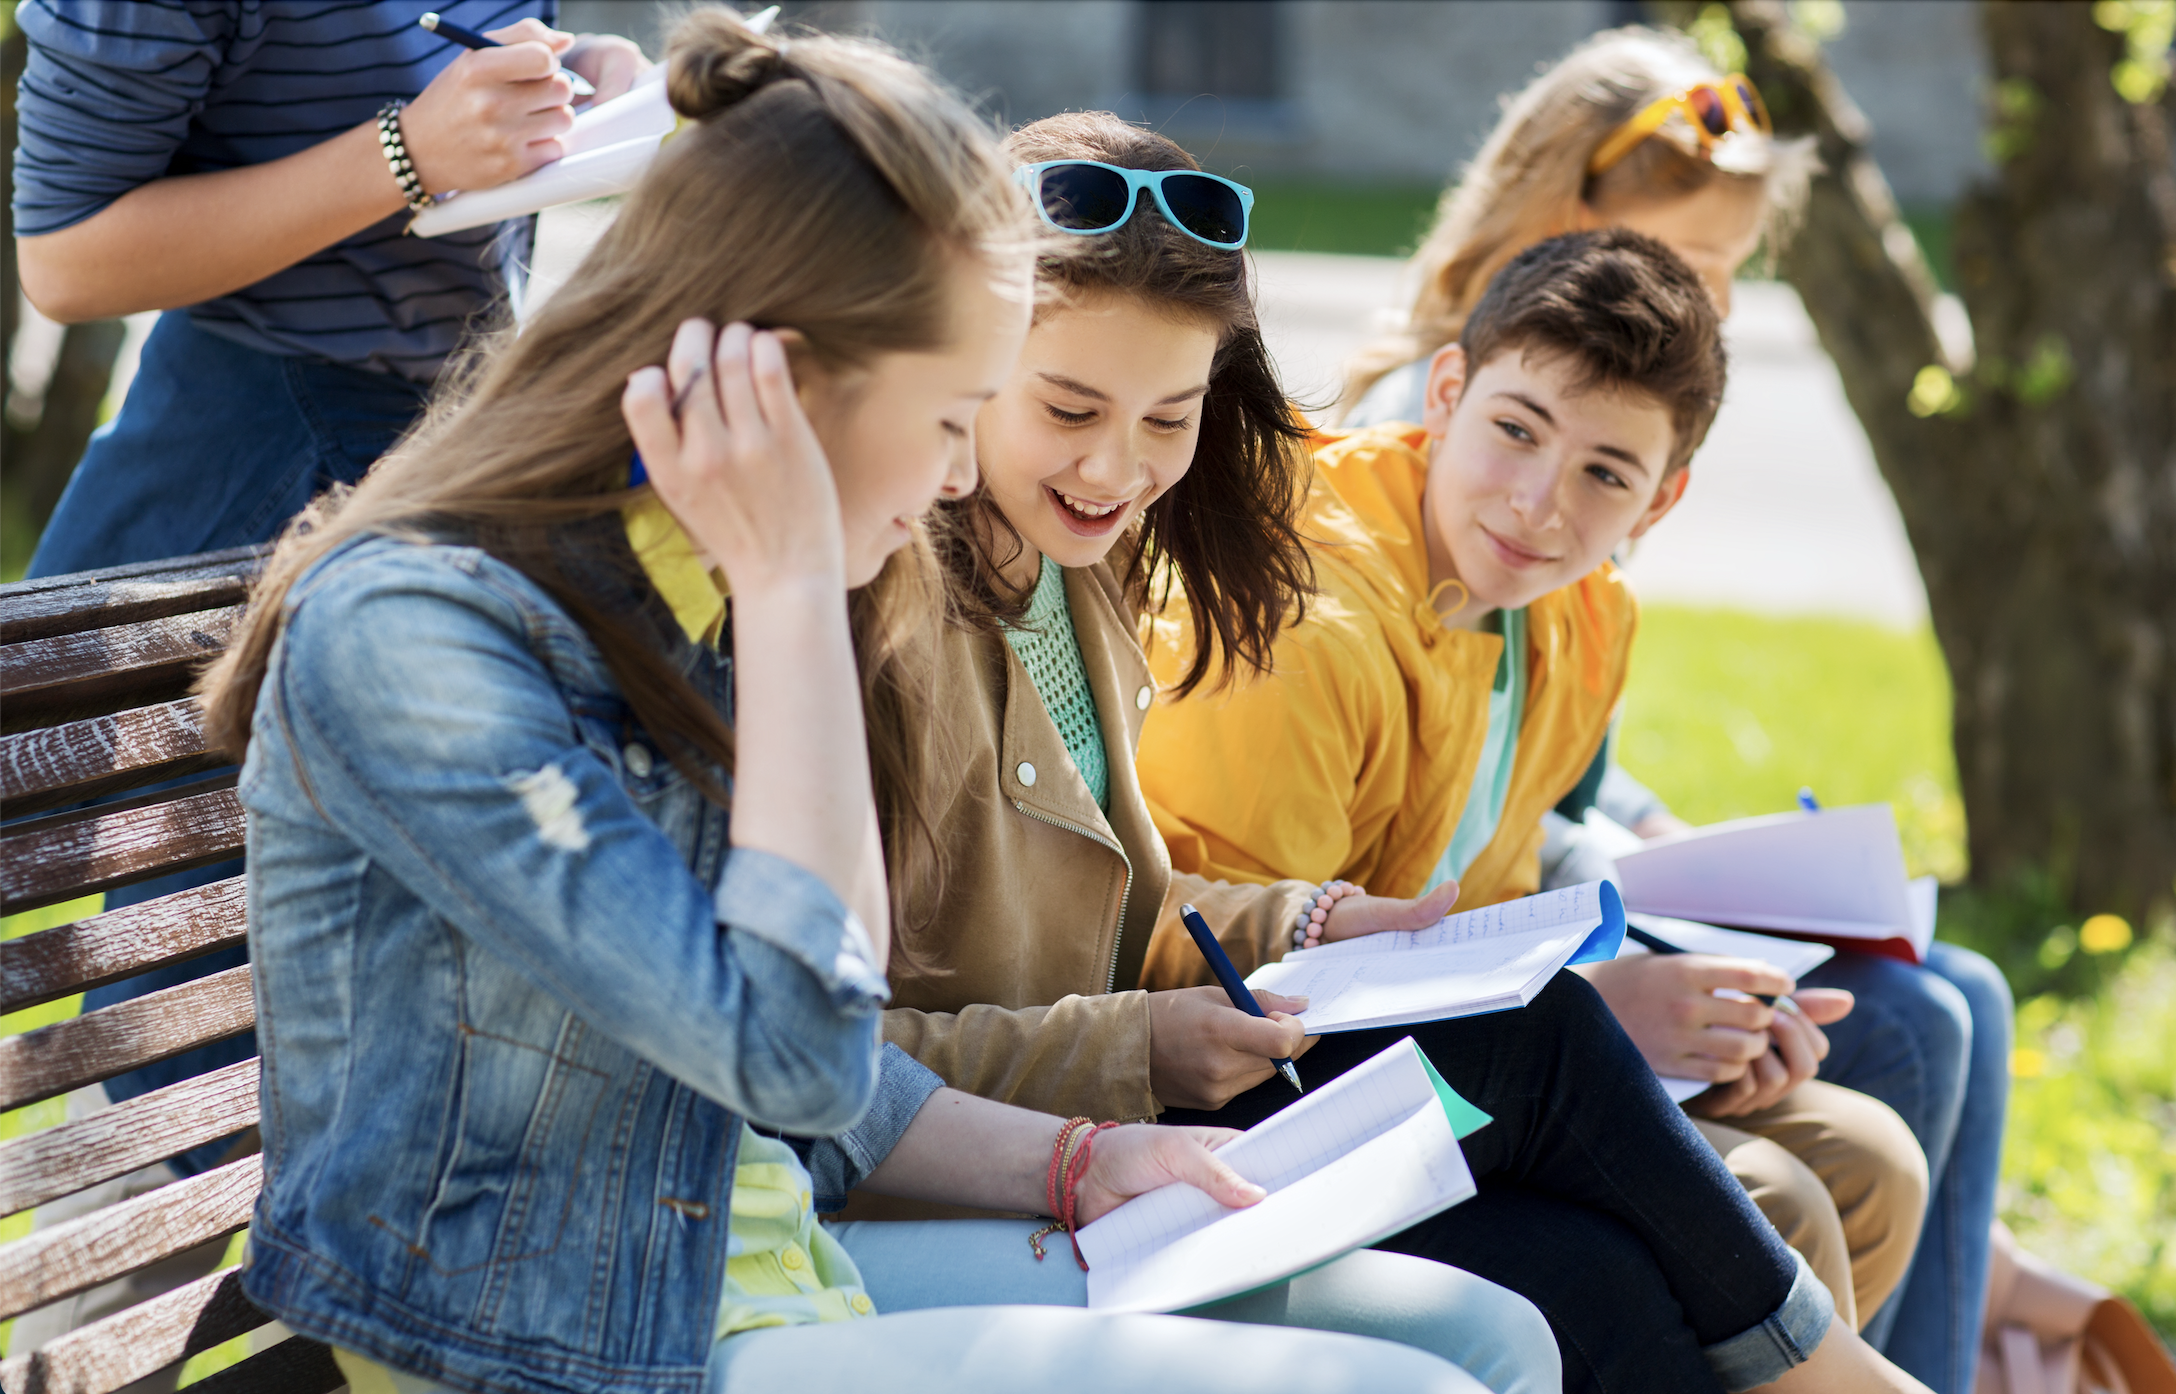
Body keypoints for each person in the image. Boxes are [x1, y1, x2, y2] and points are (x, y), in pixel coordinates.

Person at [191, 15, 1519, 1393]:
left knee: (1477, 1336)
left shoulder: (730, 577)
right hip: (549, 1341)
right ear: (783, 370)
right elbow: (804, 1047)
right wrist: (788, 585)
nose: (958, 476)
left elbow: (798, 1075)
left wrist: (1080, 1156)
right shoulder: (423, 639)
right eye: (953, 413)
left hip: (765, 1272)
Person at [839, 109, 1926, 1394]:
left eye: (1168, 418)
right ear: (964, 365)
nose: (1115, 465)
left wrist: (1309, 923)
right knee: (1561, 1077)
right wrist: (1144, 1042)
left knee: (1601, 1256)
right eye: (1069, 406)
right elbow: (843, 1061)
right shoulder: (884, 611)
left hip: (1127, 1101)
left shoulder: (1082, 569)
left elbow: (1103, 904)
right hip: (1017, 1157)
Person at [1338, 28, 2007, 1392]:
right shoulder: (1434, 486)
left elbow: (1546, 788)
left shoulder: (1573, 547)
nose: (1697, 304)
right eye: (1676, 265)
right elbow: (1366, 894)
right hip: (1434, 1003)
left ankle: (1942, 1336)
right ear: (1564, 231)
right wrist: (1624, 932)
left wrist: (1680, 853)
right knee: (1908, 1026)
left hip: (1513, 945)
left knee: (1955, 997)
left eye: (1721, 275)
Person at [8, 0, 647, 1177]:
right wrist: (403, 154)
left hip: (435, 450)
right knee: (204, 1064)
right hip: (254, 473)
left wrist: (583, 85)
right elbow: (63, 256)